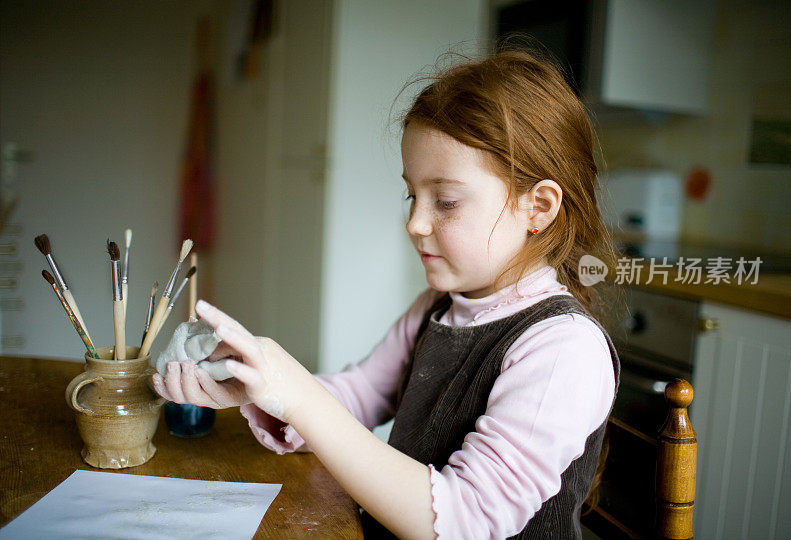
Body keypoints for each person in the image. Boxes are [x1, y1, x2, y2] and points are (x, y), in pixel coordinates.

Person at [152, 49, 620, 539]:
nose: (415, 223)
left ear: (538, 206)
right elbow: (362, 393)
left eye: (447, 201)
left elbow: (465, 521)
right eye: (411, 196)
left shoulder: (565, 351)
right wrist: (260, 387)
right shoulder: (437, 309)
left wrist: (300, 396)